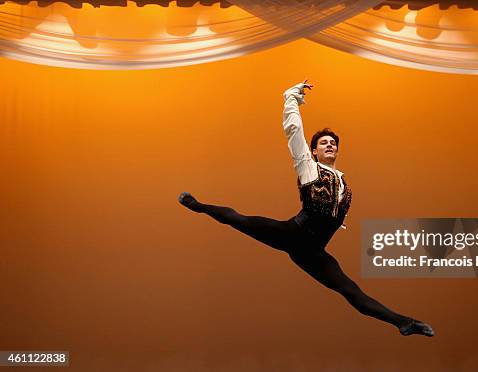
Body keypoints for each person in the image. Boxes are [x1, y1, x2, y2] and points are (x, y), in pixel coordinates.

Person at [178, 80, 434, 337]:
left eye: (333, 143)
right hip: (293, 233)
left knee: (351, 291)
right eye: (323, 142)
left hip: (312, 252)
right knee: (239, 219)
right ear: (313, 151)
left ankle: (404, 323)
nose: (330, 145)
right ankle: (198, 205)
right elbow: (293, 130)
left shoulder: (345, 184)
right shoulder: (308, 167)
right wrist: (291, 97)